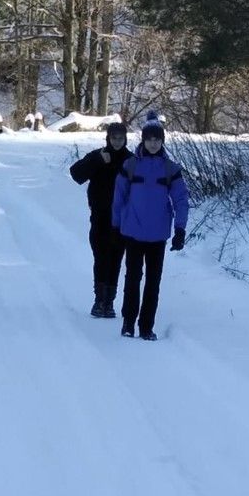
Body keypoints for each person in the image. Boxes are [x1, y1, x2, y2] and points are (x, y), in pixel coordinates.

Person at [112, 112, 188, 341]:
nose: (153, 143)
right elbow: (119, 197)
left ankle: (146, 326)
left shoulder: (170, 169)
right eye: (149, 139)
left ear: (162, 141)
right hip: (133, 233)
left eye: (157, 139)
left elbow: (181, 200)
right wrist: (116, 226)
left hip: (157, 236)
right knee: (132, 280)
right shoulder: (131, 166)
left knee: (153, 283)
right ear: (143, 141)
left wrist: (180, 229)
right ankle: (128, 323)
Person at [69, 120, 132, 317]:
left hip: (121, 220)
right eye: (114, 138)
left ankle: (110, 302)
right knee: (100, 257)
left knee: (115, 259)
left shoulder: (131, 160)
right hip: (99, 217)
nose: (117, 142)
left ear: (125, 139)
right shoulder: (98, 156)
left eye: (121, 138)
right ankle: (99, 300)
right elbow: (76, 174)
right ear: (108, 138)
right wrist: (96, 161)